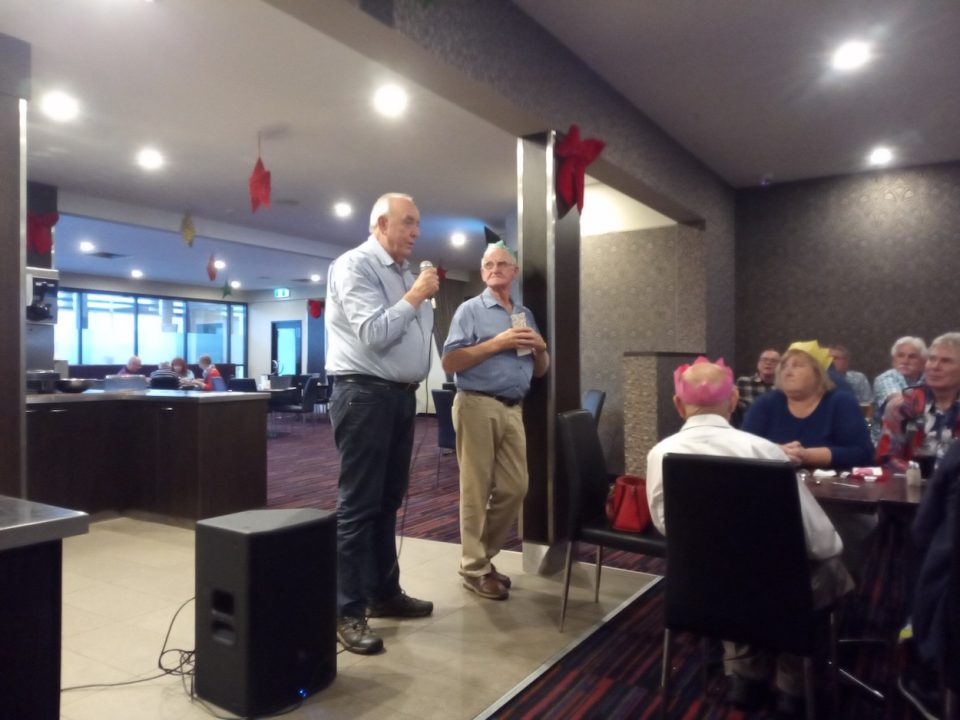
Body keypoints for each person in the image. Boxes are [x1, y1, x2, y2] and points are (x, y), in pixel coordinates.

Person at [646, 357, 852, 717]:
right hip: (772, 590)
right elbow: (822, 543)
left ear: (678, 405)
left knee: (729, 567)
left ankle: (744, 675)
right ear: (733, 400)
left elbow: (666, 526)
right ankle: (793, 686)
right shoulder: (763, 452)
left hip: (697, 587)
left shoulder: (660, 454)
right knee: (831, 569)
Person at [324, 192, 439, 654]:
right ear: (380, 224)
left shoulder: (404, 274)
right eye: (407, 222)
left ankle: (383, 593)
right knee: (358, 506)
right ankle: (346, 611)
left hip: (398, 397)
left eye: (417, 223)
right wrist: (416, 296)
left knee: (387, 501)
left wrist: (413, 291)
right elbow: (373, 334)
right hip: (364, 396)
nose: (416, 231)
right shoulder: (355, 265)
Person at [441, 242, 549, 601]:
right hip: (476, 404)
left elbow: (539, 371)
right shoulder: (470, 310)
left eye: (502, 264)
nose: (494, 269)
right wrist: (497, 343)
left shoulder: (522, 314)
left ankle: (479, 559)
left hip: (513, 408)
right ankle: (475, 567)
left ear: (514, 271)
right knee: (475, 489)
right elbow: (450, 362)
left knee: (516, 487)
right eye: (488, 264)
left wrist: (541, 349)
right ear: (482, 271)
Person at [742, 340, 874, 469]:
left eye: (797, 366)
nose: (788, 372)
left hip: (833, 482)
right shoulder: (765, 403)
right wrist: (777, 451)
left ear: (818, 373)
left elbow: (863, 454)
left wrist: (807, 456)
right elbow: (744, 447)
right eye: (784, 366)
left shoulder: (841, 403)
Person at [876, 332, 960, 471]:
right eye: (932, 359)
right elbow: (886, 458)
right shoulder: (903, 405)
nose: (935, 366)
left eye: (946, 361)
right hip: (912, 481)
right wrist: (915, 474)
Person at [873, 336, 927, 414]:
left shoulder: (930, 377)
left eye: (912, 357)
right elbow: (899, 405)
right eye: (900, 356)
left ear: (923, 362)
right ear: (893, 361)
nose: (905, 361)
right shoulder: (886, 378)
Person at [734, 348, 780, 424]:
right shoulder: (743, 382)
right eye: (764, 360)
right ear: (758, 364)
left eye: (773, 361)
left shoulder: (784, 387)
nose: (768, 363)